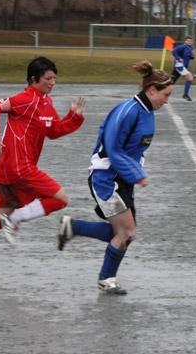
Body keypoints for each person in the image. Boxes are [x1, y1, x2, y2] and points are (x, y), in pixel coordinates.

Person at [0, 56, 86, 271]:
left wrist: (74, 117)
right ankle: (16, 219)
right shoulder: (25, 99)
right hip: (19, 167)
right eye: (48, 78)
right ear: (33, 79)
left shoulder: (46, 103)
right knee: (60, 199)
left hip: (8, 170)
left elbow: (54, 131)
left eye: (54, 78)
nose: (53, 82)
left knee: (0, 217)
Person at [56, 60, 173, 294]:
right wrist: (137, 174)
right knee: (126, 232)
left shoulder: (147, 111)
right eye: (166, 94)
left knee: (124, 234)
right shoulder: (127, 110)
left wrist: (133, 174)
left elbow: (133, 150)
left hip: (123, 180)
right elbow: (112, 148)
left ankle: (73, 227)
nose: (167, 100)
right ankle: (106, 279)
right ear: (152, 90)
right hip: (105, 179)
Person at [171, 35, 195, 101]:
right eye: (188, 41)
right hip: (180, 66)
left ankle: (159, 90)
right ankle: (185, 94)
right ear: (185, 41)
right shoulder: (182, 46)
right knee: (190, 77)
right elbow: (174, 51)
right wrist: (178, 58)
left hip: (183, 66)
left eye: (191, 41)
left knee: (171, 82)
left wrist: (192, 56)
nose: (190, 42)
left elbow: (189, 57)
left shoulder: (190, 48)